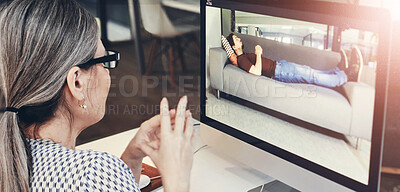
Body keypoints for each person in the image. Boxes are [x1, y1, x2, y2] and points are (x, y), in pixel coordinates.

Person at [0, 0, 194, 191]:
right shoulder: (92, 172)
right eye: (104, 62)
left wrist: (131, 158)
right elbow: (91, 180)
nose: (108, 72)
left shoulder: (11, 157)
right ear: (77, 82)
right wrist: (176, 176)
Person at [224, 33, 361, 88]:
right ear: (234, 46)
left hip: (280, 67)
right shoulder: (241, 59)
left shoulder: (243, 56)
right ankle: (345, 77)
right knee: (311, 75)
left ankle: (339, 70)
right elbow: (256, 72)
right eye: (237, 39)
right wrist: (258, 54)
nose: (240, 39)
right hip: (279, 72)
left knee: (309, 71)